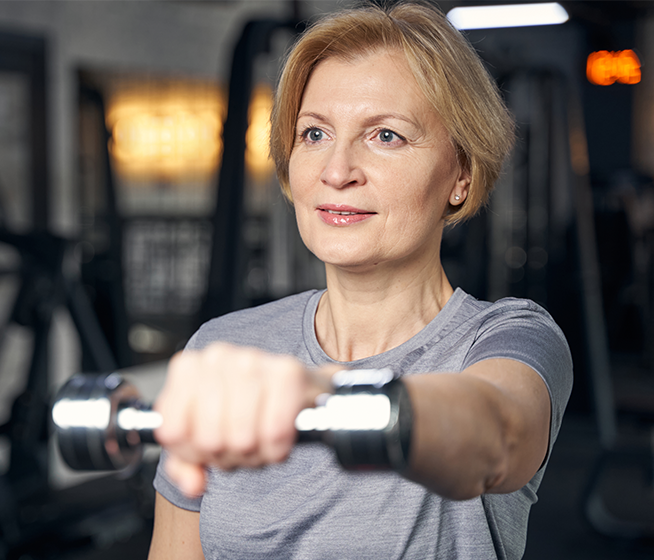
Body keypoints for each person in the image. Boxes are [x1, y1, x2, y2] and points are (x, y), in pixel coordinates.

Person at [148, 2, 573, 559]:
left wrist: (323, 397)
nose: (337, 170)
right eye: (315, 133)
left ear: (461, 176)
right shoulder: (221, 347)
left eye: (386, 136)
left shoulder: (505, 338)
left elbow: (496, 433)